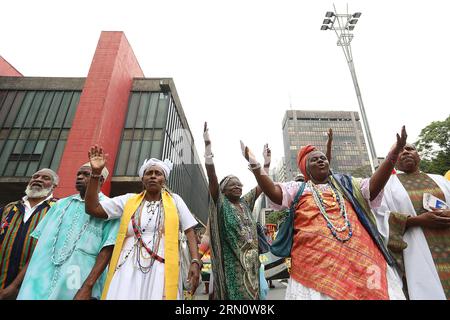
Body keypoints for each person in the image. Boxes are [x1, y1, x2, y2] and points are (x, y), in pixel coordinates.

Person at [240, 126, 409, 300]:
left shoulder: (347, 185)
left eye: (323, 158)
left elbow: (373, 188)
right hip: (315, 265)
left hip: (361, 261)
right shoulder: (298, 189)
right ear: (306, 169)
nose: (321, 161)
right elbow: (273, 191)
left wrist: (393, 154)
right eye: (314, 160)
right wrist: (256, 165)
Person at [84, 145, 200, 300]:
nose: (153, 176)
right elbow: (93, 208)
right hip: (127, 263)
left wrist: (195, 261)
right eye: (148, 173)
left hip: (162, 264)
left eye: (158, 173)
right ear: (142, 179)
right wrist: (96, 174)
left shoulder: (175, 200)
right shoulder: (128, 200)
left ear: (164, 179)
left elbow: (189, 230)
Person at [16, 163, 118, 300]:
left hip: (76, 280)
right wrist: (16, 285)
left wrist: (88, 287)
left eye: (86, 174)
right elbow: (40, 248)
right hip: (39, 282)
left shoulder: (111, 209)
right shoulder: (60, 205)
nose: (80, 177)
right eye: (78, 174)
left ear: (100, 180)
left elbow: (108, 249)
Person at [202, 122, 271, 300]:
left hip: (252, 265)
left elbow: (262, 186)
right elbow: (212, 177)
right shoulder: (222, 203)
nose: (238, 187)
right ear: (223, 189)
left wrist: (265, 163)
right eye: (233, 184)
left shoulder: (245, 202)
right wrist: (208, 151)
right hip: (232, 266)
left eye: (240, 184)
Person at [374, 143, 450, 299]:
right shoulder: (387, 186)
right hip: (417, 252)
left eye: (410, 149)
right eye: (400, 151)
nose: (405, 152)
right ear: (394, 160)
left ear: (419, 155)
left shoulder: (441, 180)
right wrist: (417, 221)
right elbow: (380, 220)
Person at [0, 169, 59, 299]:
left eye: (45, 178)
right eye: (35, 176)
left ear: (54, 186)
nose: (38, 179)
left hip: (34, 288)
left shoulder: (59, 209)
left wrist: (15, 287)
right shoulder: (9, 208)